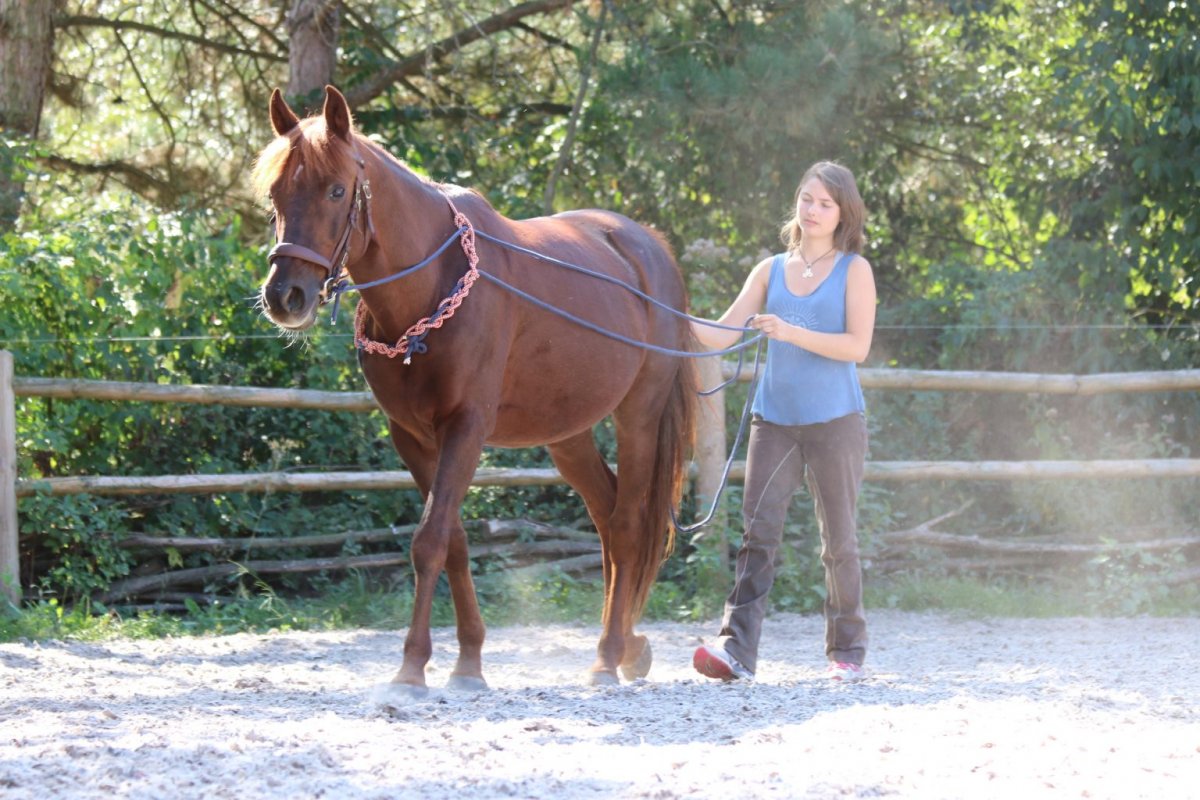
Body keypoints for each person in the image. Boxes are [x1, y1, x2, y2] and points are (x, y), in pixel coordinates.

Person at [690, 161, 877, 683]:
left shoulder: (854, 270)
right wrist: (663, 312)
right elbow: (721, 334)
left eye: (825, 203)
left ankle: (847, 654)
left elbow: (857, 347)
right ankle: (736, 652)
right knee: (757, 534)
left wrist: (790, 332)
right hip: (774, 422)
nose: (812, 210)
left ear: (843, 213)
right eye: (806, 199)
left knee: (839, 540)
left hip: (837, 422)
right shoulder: (770, 269)